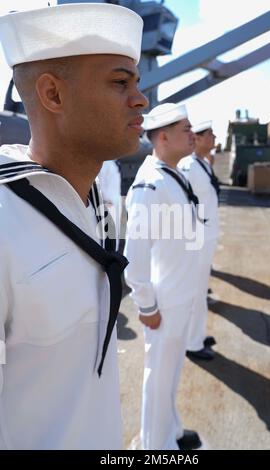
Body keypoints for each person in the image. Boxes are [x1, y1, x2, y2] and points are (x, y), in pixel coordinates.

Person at [0, 3, 148, 450]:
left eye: (136, 83)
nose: (141, 99)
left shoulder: (92, 197)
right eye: (120, 82)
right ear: (53, 95)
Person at [124, 103, 204, 450]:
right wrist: (147, 306)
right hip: (165, 302)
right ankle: (154, 448)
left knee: (170, 376)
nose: (191, 134)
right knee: (158, 379)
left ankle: (169, 432)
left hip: (182, 295)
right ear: (163, 136)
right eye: (184, 128)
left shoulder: (175, 174)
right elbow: (135, 258)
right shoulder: (150, 187)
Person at [179, 121, 220, 360]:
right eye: (210, 134)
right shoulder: (188, 167)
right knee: (195, 292)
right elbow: (185, 206)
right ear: (199, 138)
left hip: (208, 235)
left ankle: (198, 335)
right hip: (198, 239)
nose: (214, 138)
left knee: (200, 290)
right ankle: (192, 344)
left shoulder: (202, 163)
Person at [98, 160, 122, 249]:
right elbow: (100, 184)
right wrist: (105, 201)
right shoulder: (104, 164)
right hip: (108, 205)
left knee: (116, 235)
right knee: (108, 238)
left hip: (115, 204)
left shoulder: (112, 163)